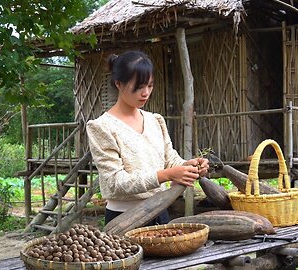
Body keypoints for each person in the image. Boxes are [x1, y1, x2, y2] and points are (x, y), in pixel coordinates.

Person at [86, 51, 209, 225]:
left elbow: (169, 160)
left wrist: (189, 167)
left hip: (160, 212)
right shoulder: (102, 127)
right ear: (119, 84)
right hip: (123, 218)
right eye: (138, 86)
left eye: (150, 86)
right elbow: (114, 182)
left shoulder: (155, 120)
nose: (145, 93)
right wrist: (166, 175)